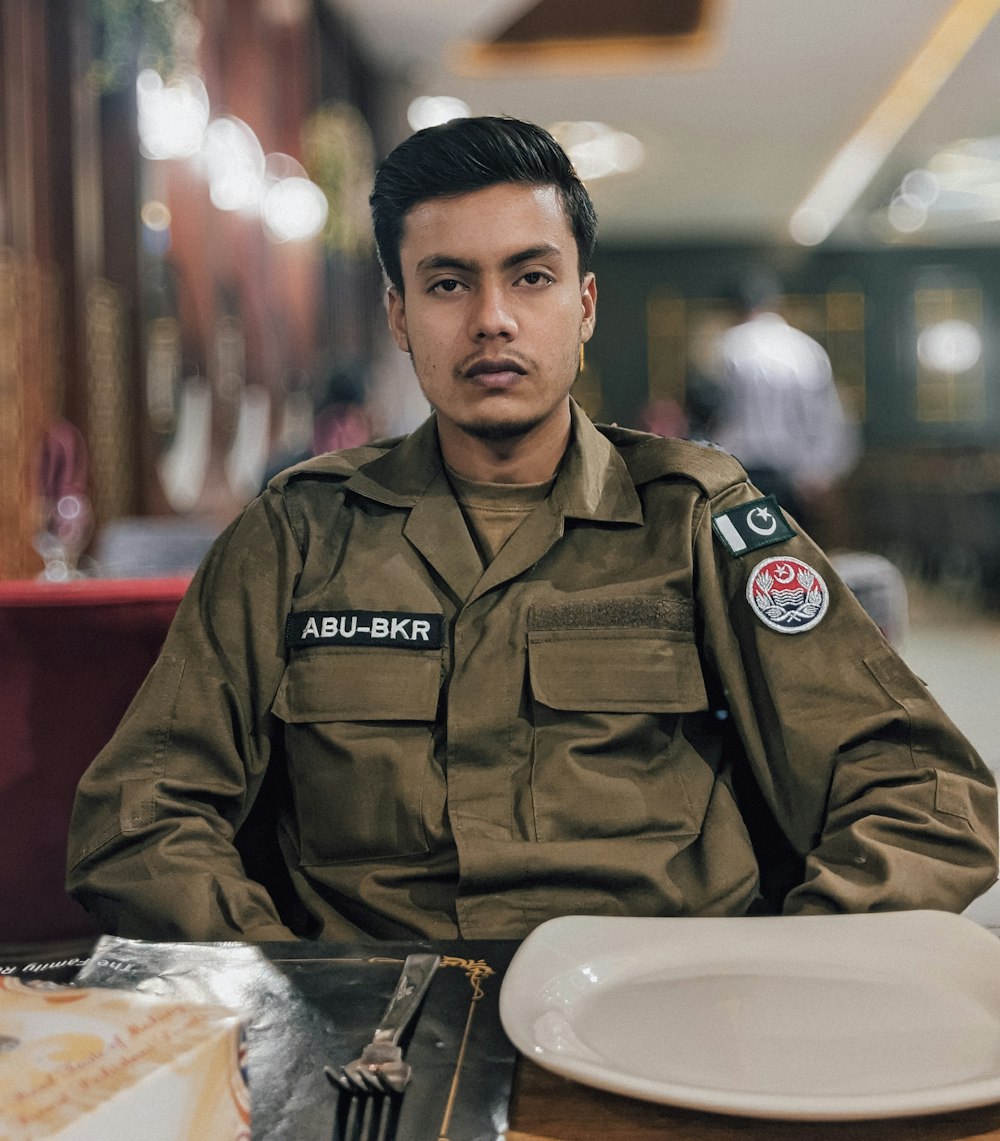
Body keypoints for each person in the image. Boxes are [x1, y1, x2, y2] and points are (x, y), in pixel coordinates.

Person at [67, 117, 998, 942]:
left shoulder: (696, 518)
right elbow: (141, 816)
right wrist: (284, 985)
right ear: (399, 314)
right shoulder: (298, 533)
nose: (493, 319)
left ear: (584, 306)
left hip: (661, 1018)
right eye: (447, 283)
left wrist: (792, 969)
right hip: (377, 1041)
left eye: (532, 276)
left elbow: (927, 796)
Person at [707, 274, 860, 531]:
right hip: (795, 478)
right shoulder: (806, 349)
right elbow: (828, 418)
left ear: (734, 309)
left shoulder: (729, 346)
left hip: (740, 475)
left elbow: (717, 414)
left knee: (743, 559)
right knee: (792, 558)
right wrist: (821, 472)